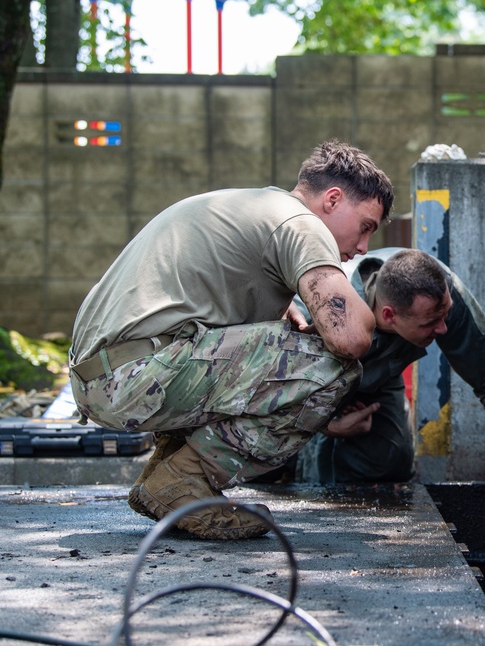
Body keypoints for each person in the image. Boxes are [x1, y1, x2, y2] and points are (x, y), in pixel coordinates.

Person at [68, 139, 394, 540]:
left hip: (103, 375)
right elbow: (350, 338)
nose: (363, 248)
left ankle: (173, 479)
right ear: (332, 199)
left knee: (282, 347)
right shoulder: (301, 224)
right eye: (365, 227)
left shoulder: (253, 207)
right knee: (334, 365)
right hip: (134, 375)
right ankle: (183, 480)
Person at [295, 247, 485, 520]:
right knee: (291, 459)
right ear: (389, 315)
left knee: (392, 458)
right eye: (431, 323)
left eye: (445, 315)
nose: (444, 328)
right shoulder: (320, 309)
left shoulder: (441, 296)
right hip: (309, 387)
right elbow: (276, 392)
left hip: (379, 378)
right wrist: (329, 427)